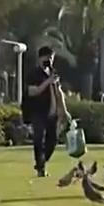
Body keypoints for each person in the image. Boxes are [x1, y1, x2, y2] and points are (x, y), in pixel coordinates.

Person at [23, 47, 62, 177]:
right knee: (39, 138)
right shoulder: (34, 74)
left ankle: (42, 161)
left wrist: (62, 109)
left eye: (52, 58)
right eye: (48, 58)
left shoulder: (53, 73)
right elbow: (32, 91)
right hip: (38, 111)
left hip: (52, 112)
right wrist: (47, 82)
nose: (50, 61)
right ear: (41, 58)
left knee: (53, 140)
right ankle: (40, 166)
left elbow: (58, 92)